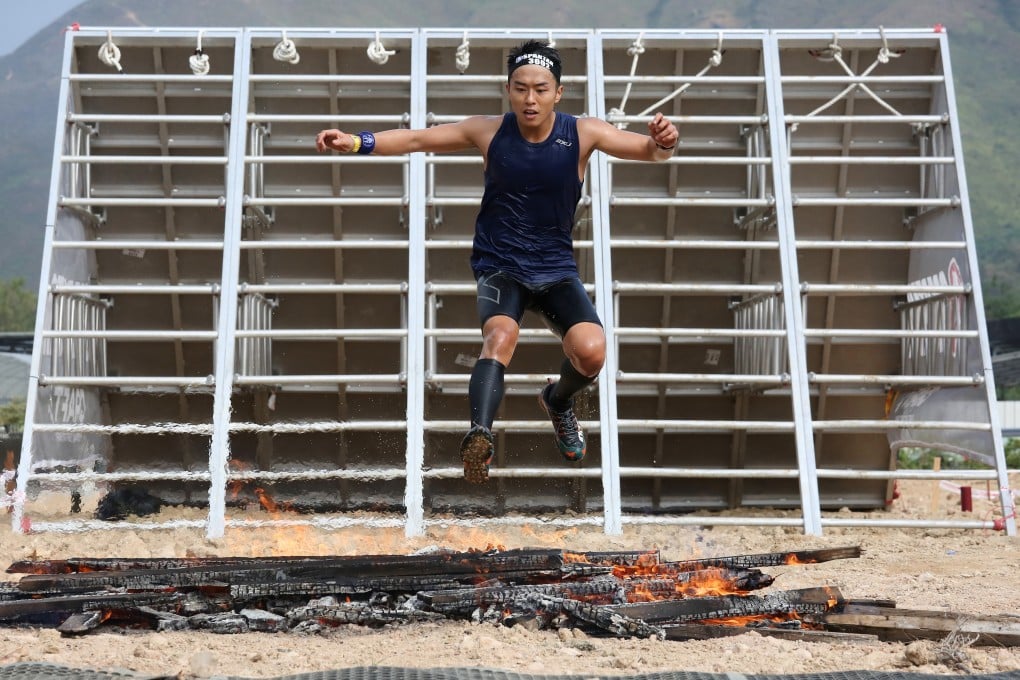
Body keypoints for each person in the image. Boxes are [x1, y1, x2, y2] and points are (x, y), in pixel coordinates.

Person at [316, 40, 678, 484]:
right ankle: (479, 439)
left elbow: (647, 151)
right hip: (499, 264)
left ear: (558, 93)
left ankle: (557, 401)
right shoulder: (488, 131)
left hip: (554, 269)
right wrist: (355, 141)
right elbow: (415, 138)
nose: (531, 99)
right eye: (521, 88)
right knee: (500, 335)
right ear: (508, 89)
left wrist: (664, 142)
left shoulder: (584, 133)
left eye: (541, 90)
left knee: (592, 352)